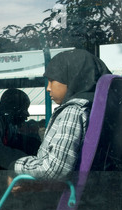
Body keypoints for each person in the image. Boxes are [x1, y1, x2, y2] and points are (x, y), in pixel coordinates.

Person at [10, 49, 111, 183]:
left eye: (52, 81)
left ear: (73, 79)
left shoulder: (73, 111)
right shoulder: (93, 108)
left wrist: (15, 166)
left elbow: (55, 169)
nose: (48, 88)